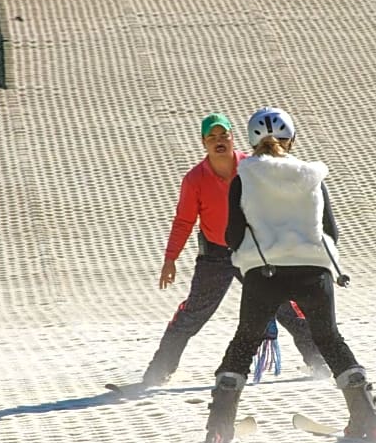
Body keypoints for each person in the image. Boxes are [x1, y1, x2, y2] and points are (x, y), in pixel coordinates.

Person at [202, 106, 376, 443]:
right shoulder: (311, 176)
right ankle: (371, 421)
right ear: (292, 140)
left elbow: (231, 235)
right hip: (313, 272)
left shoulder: (244, 178)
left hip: (265, 273)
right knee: (330, 341)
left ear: (250, 140)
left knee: (244, 343)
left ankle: (219, 428)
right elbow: (330, 232)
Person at [139, 112, 329, 388]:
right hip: (215, 254)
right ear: (203, 142)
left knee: (285, 305)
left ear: (232, 138)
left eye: (223, 135)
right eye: (212, 137)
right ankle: (158, 372)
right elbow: (183, 221)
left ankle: (318, 361)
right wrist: (170, 259)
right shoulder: (195, 179)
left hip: (252, 250)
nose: (218, 141)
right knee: (194, 312)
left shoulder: (250, 168)